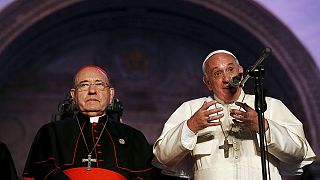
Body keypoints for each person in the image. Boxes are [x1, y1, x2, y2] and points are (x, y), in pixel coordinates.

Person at [153, 50, 316, 180]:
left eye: (230, 70)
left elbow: (298, 153)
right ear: (208, 83)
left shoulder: (270, 106)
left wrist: (263, 126)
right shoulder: (192, 109)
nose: (226, 79)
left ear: (241, 72)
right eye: (217, 74)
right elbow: (163, 157)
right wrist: (191, 126)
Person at [23, 66, 154, 179]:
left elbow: (146, 176)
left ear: (111, 94)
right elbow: (40, 169)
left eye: (99, 84)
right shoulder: (51, 131)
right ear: (73, 96)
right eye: (84, 85)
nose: (92, 91)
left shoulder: (132, 136)